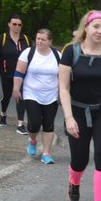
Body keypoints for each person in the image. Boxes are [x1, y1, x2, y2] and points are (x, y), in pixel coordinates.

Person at [58, 10, 101, 201]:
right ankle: (74, 181)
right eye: (96, 26)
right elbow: (64, 88)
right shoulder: (71, 52)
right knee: (80, 159)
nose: (100, 31)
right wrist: (68, 118)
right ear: (86, 27)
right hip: (76, 110)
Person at [12, 28, 60, 164]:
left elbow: (61, 76)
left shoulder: (57, 55)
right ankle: (32, 140)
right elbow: (19, 72)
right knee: (34, 124)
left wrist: (63, 93)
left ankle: (46, 153)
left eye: (43, 39)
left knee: (48, 125)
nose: (39, 41)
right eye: (38, 38)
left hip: (51, 95)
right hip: (31, 93)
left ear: (50, 42)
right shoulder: (28, 53)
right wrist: (16, 88)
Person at [0, 14, 31, 134]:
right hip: (6, 73)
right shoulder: (2, 38)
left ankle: (20, 124)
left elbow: (32, 56)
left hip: (22, 74)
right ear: (9, 24)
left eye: (19, 24)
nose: (17, 27)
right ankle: (3, 114)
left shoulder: (26, 40)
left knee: (20, 96)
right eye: (14, 24)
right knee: (7, 96)